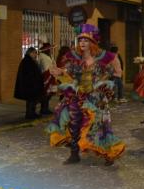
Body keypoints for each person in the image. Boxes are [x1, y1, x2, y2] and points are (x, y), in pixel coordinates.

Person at [45, 24, 125, 165]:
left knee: (100, 127)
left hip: (96, 99)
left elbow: (117, 71)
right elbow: (67, 71)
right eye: (80, 40)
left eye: (86, 40)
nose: (82, 43)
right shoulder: (75, 57)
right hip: (78, 95)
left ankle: (108, 154)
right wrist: (58, 71)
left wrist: (107, 79)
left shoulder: (103, 57)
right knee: (74, 123)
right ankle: (74, 154)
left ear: (93, 42)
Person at [14, 47, 44, 120]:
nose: (36, 55)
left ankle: (31, 113)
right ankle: (30, 114)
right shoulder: (28, 61)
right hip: (30, 85)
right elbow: (30, 74)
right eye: (34, 53)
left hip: (31, 84)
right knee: (31, 99)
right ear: (30, 53)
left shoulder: (29, 61)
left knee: (32, 100)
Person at [38, 43, 55, 115]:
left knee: (49, 94)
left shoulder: (49, 55)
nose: (51, 50)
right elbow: (45, 67)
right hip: (46, 77)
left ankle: (46, 108)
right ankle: (43, 109)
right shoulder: (42, 56)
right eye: (50, 48)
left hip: (51, 76)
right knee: (45, 94)